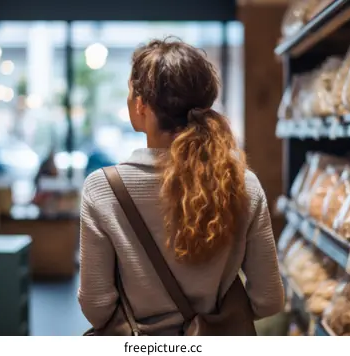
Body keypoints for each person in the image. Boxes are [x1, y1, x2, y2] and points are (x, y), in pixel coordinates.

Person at [78, 37, 284, 335]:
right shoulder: (242, 184)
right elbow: (268, 300)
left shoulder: (102, 189)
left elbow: (97, 308)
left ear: (141, 105)